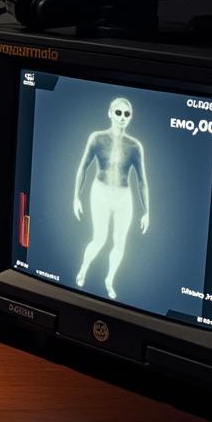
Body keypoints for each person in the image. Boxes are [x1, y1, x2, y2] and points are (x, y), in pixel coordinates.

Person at [72, 97, 149, 300]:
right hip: (101, 191)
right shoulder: (97, 138)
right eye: (118, 112)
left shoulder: (135, 146)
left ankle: (109, 279)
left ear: (130, 117)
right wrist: (76, 197)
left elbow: (142, 181)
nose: (122, 117)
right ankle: (83, 269)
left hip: (124, 196)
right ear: (110, 113)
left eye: (126, 114)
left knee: (120, 243)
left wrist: (147, 211)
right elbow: (83, 167)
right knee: (99, 239)